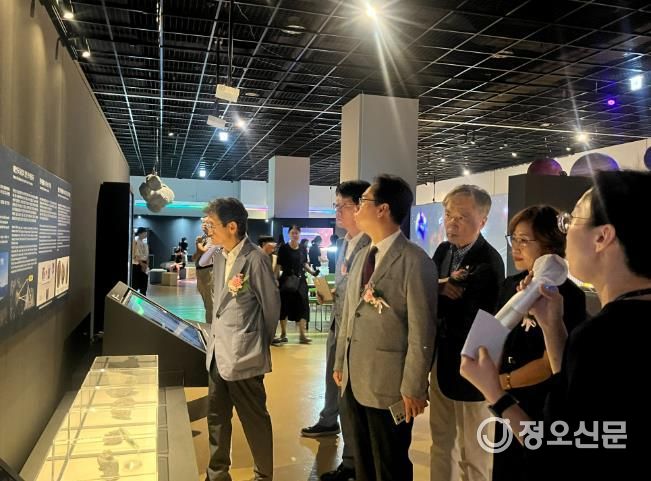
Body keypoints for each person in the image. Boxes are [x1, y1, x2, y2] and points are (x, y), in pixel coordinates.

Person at [460, 170, 651, 481]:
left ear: (602, 237)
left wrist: (495, 392)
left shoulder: (602, 337)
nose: (565, 233)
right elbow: (577, 404)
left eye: (569, 221)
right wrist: (552, 326)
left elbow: (552, 450)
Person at [334, 174, 437, 481]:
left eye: (363, 201)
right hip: (355, 379)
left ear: (383, 209)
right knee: (364, 463)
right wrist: (340, 361)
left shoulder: (414, 261)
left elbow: (422, 329)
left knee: (390, 465)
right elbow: (349, 314)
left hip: (389, 385)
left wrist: (414, 386)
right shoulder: (364, 255)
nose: (357, 208)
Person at [493, 205, 586, 481]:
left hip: (543, 401)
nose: (515, 247)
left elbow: (552, 363)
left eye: (524, 240)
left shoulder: (567, 295)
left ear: (549, 244)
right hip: (506, 400)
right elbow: (496, 335)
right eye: (513, 238)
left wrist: (502, 382)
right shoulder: (509, 286)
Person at [429, 184, 505, 481]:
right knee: (441, 441)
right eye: (449, 215)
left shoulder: (489, 261)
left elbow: (479, 316)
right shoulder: (443, 251)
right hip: (441, 361)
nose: (453, 223)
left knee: (474, 452)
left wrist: (438, 295)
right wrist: (439, 288)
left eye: (462, 217)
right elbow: (426, 293)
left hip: (473, 366)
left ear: (482, 221)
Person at [202, 197, 280, 481]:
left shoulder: (255, 259)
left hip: (244, 355)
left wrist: (256, 343)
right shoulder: (220, 256)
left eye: (211, 225)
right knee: (216, 418)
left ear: (232, 226)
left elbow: (271, 308)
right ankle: (217, 473)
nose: (207, 231)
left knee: (254, 419)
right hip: (217, 353)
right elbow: (216, 304)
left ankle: (263, 475)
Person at [301, 180, 371, 481]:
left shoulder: (372, 246)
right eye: (336, 206)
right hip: (337, 326)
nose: (338, 212)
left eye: (344, 206)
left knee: (353, 400)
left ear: (361, 207)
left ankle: (353, 462)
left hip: (358, 335)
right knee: (337, 386)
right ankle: (345, 449)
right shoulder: (345, 243)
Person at [274, 226, 318, 344]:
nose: (295, 235)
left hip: (300, 280)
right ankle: (283, 333)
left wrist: (313, 272)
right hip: (286, 280)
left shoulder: (303, 248)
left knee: (303, 305)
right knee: (285, 306)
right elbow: (278, 265)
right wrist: (275, 279)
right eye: (292, 233)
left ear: (299, 234)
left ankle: (302, 335)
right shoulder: (284, 248)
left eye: (297, 233)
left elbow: (304, 263)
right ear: (289, 234)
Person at [193, 217, 215, 323]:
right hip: (201, 271)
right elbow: (195, 256)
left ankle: (211, 327)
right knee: (207, 303)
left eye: (206, 223)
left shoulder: (213, 238)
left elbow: (204, 251)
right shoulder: (204, 237)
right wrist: (198, 245)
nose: (204, 225)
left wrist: (198, 243)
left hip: (208, 271)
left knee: (210, 304)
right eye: (203, 223)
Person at [131, 226, 149, 295]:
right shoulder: (135, 242)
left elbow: (146, 255)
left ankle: (143, 297)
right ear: (140, 233)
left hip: (143, 263)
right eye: (144, 233)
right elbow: (136, 254)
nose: (146, 234)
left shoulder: (144, 243)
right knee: (136, 284)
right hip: (138, 264)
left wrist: (146, 264)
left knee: (144, 284)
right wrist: (141, 264)